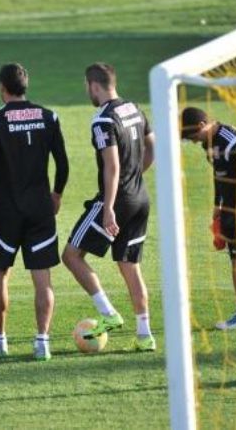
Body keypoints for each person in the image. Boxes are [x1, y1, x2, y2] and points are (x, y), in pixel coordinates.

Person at [61, 62, 157, 352]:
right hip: (141, 198)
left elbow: (112, 166)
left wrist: (110, 207)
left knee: (71, 255)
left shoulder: (102, 119)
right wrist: (136, 175)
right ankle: (145, 335)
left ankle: (108, 313)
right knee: (130, 265)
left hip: (117, 199)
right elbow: (153, 147)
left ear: (93, 85)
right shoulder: (134, 108)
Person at [0, 63, 69, 360]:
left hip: (6, 211)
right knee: (42, 278)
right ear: (25, 85)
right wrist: (56, 194)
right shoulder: (49, 117)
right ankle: (42, 341)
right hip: (41, 208)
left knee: (0, 274)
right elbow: (63, 163)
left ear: (2, 88)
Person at [180, 106, 236, 330]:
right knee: (235, 260)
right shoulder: (209, 144)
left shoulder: (232, 140)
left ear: (202, 126)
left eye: (193, 136)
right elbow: (218, 174)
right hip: (229, 206)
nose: (194, 141)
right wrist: (217, 204)